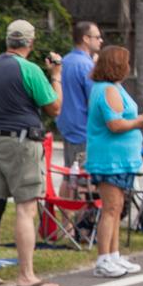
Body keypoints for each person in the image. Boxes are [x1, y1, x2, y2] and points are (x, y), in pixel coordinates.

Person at [0, 19, 62, 286]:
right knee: (26, 208)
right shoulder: (31, 70)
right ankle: (26, 275)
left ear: (7, 41)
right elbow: (54, 107)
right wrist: (56, 75)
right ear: (30, 43)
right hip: (23, 142)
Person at [84, 45, 143, 278]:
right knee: (110, 208)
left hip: (120, 158)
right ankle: (103, 258)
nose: (129, 67)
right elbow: (115, 124)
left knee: (117, 207)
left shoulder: (111, 87)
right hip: (110, 159)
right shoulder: (108, 89)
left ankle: (114, 254)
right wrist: (138, 122)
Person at [54, 21, 101, 172]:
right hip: (84, 131)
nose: (101, 40)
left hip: (67, 127)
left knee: (69, 174)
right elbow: (96, 100)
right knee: (82, 183)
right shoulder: (87, 66)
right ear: (86, 39)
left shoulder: (64, 61)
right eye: (97, 37)